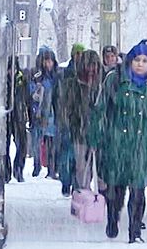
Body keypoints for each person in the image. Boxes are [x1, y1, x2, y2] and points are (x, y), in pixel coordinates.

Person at [89, 40, 147, 243]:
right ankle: (112, 219)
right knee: (115, 188)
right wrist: (96, 136)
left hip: (143, 145)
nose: (140, 64)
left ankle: (135, 231)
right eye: (137, 60)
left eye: (145, 61)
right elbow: (101, 111)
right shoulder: (114, 80)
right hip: (116, 143)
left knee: (138, 189)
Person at [58, 50, 102, 196]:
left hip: (99, 131)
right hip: (79, 131)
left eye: (93, 65)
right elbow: (67, 107)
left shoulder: (102, 85)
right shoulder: (74, 85)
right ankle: (82, 191)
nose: (91, 69)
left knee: (99, 165)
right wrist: (71, 123)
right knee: (81, 165)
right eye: (88, 65)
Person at [55, 44, 87, 191]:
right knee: (67, 153)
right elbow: (58, 97)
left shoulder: (85, 74)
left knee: (78, 156)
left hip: (79, 120)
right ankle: (66, 180)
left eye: (81, 53)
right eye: (77, 53)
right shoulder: (65, 73)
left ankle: (75, 182)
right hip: (67, 118)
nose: (79, 56)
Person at [29, 47, 60, 178]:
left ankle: (51, 168)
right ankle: (37, 166)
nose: (49, 64)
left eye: (50, 61)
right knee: (38, 142)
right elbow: (31, 93)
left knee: (51, 143)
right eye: (46, 61)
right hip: (40, 113)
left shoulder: (56, 76)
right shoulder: (37, 76)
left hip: (53, 113)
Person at [5, 56, 30, 183]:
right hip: (6, 117)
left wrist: (29, 116)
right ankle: (6, 172)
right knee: (5, 145)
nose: (11, 71)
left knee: (22, 144)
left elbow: (28, 98)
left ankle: (18, 169)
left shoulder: (22, 80)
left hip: (19, 116)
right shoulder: (3, 80)